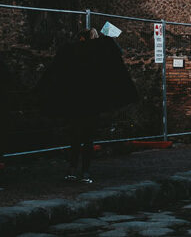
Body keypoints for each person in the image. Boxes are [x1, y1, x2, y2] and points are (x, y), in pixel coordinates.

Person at [36, 28, 137, 183]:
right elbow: (117, 52)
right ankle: (84, 171)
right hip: (90, 103)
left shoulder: (71, 53)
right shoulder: (97, 56)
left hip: (76, 102)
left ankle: (73, 169)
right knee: (87, 138)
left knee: (76, 137)